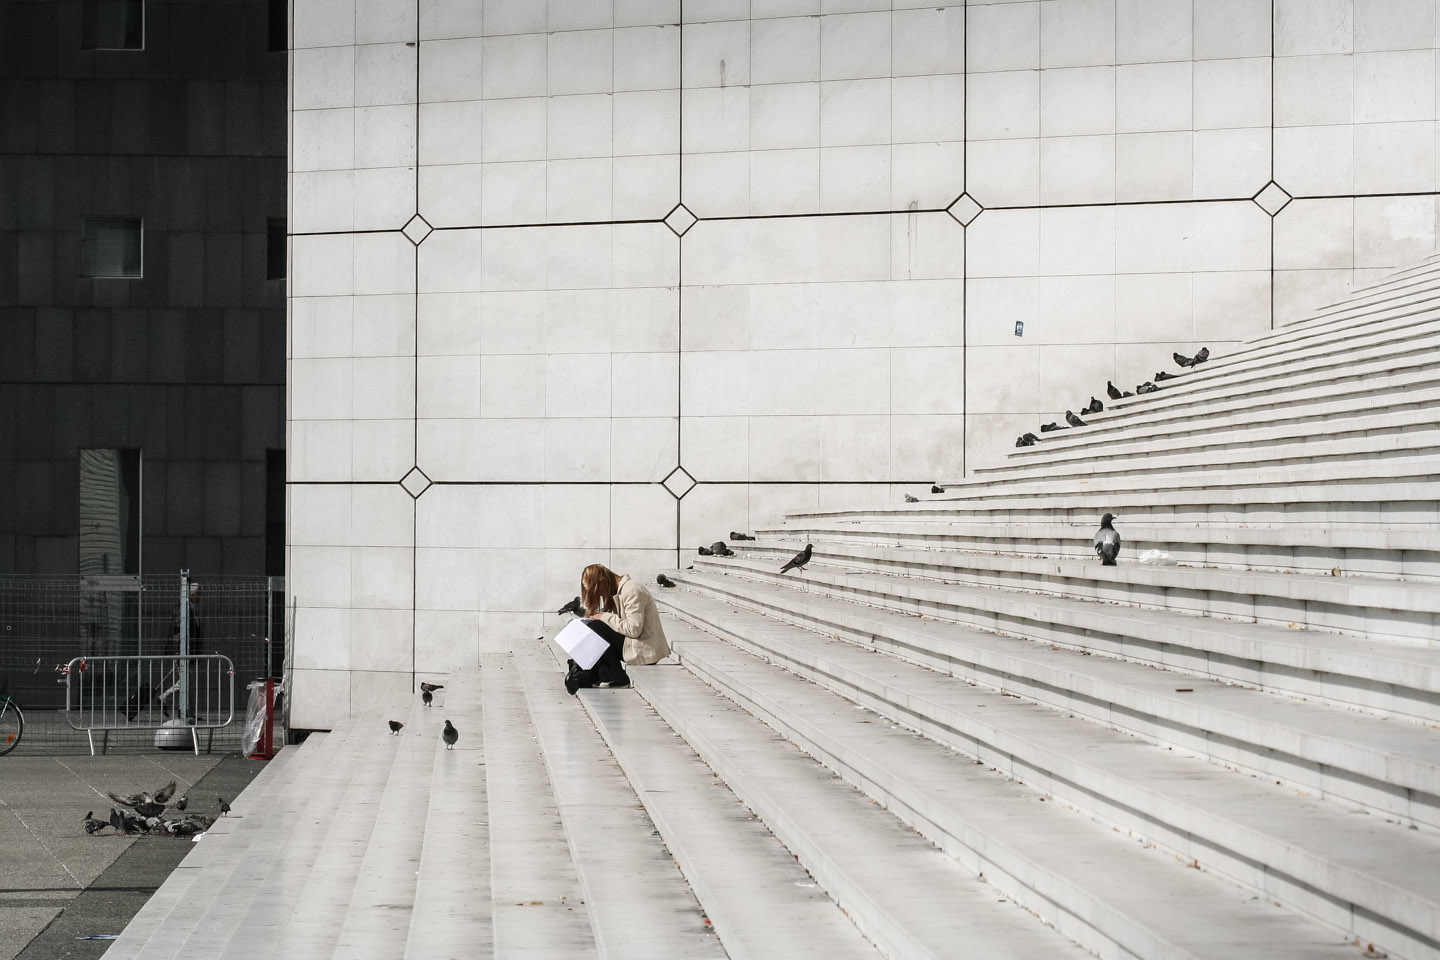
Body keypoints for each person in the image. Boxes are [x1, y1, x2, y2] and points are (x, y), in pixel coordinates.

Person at [565, 564, 671, 695]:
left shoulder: (632, 590)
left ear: (603, 582)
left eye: (598, 592)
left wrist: (604, 617)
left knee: (597, 627)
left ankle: (615, 677)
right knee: (592, 626)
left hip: (644, 650)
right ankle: (596, 673)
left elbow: (634, 629)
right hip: (633, 644)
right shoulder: (619, 591)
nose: (600, 595)